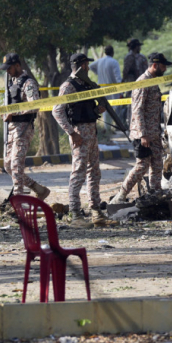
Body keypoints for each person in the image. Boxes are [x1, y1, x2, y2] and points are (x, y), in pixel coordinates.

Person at [52, 53, 116, 228]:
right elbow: (57, 111)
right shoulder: (69, 86)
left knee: (94, 173)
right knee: (78, 174)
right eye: (86, 64)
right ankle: (75, 215)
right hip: (80, 133)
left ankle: (96, 212)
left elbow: (87, 109)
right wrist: (72, 133)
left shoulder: (86, 84)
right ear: (81, 66)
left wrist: (97, 110)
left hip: (91, 132)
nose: (88, 67)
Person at [110, 52, 172, 204]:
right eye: (163, 66)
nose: (165, 70)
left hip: (155, 133)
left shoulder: (153, 81)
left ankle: (155, 194)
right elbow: (137, 110)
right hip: (143, 134)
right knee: (142, 166)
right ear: (155, 65)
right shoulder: (142, 82)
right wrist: (143, 134)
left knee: (157, 164)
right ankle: (121, 195)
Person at [0, 53, 50, 200]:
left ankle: (19, 202)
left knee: (16, 165)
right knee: (8, 166)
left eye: (9, 68)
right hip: (11, 129)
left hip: (24, 129)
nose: (7, 71)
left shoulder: (29, 83)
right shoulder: (11, 83)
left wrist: (13, 113)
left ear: (17, 65)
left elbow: (34, 106)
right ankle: (38, 189)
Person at [89, 45, 125, 129]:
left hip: (102, 89)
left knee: (105, 108)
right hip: (113, 89)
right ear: (113, 52)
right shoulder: (114, 62)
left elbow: (90, 66)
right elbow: (118, 78)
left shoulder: (100, 61)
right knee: (116, 107)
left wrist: (97, 72)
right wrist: (122, 87)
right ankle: (118, 127)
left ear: (105, 52)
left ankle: (107, 128)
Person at [123, 39, 149, 125]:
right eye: (139, 46)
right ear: (136, 47)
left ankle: (132, 124)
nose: (140, 48)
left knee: (132, 105)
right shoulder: (141, 57)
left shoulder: (130, 57)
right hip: (139, 84)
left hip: (132, 84)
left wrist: (123, 81)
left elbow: (125, 72)